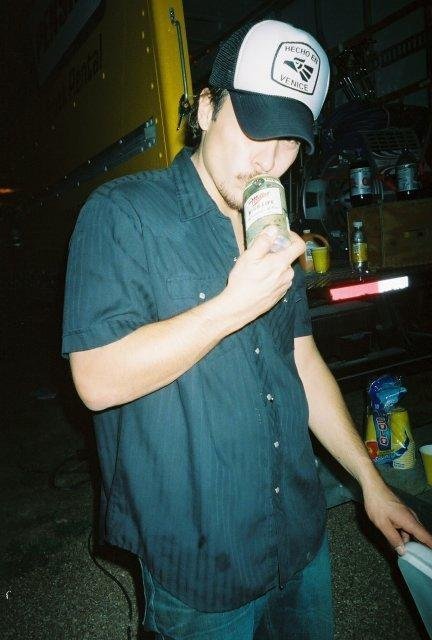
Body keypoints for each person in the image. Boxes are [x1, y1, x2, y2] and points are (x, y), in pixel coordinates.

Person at [62, 19, 432, 640]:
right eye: (255, 127)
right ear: (207, 109)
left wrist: (371, 484)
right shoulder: (123, 215)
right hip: (201, 567)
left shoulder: (273, 234)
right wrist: (235, 304)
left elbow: (302, 361)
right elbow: (96, 380)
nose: (270, 160)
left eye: (289, 140)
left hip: (300, 540)